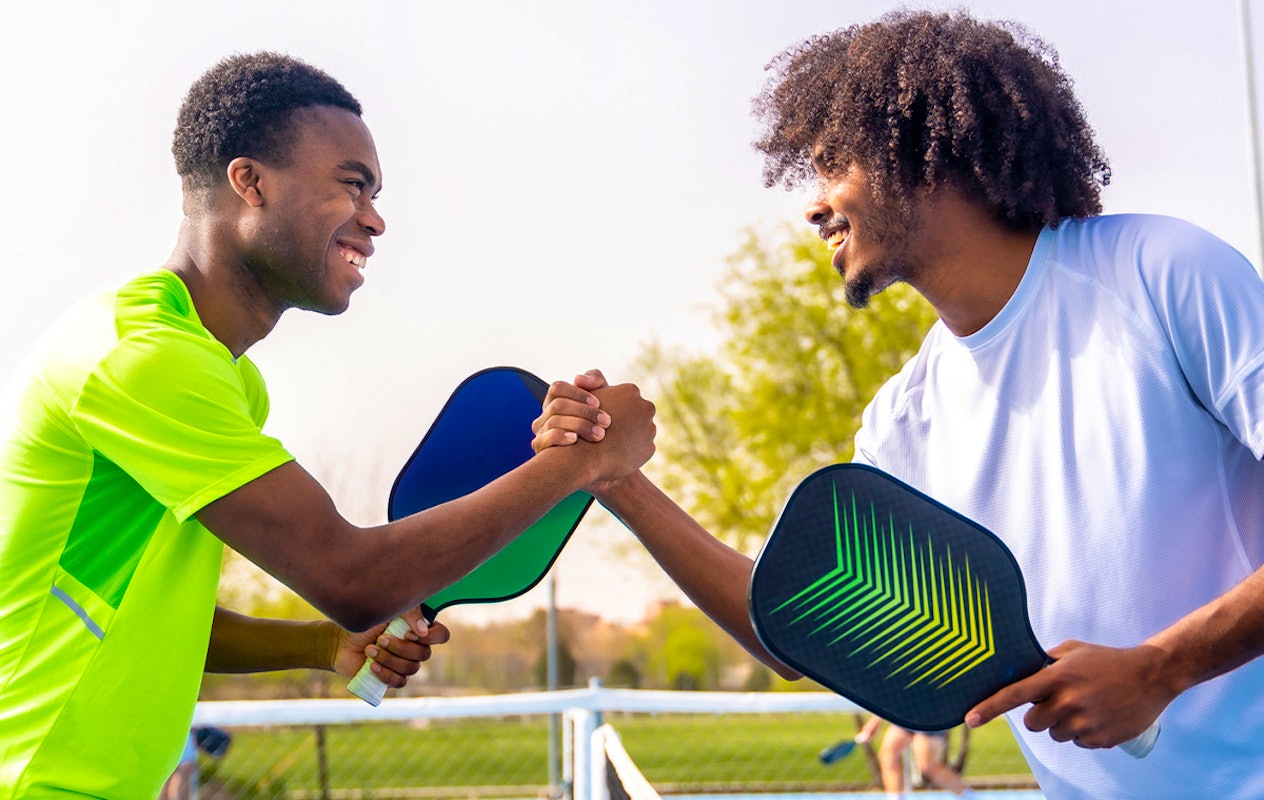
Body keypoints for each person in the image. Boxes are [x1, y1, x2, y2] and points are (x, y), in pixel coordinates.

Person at [532, 9, 1264, 800]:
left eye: (833, 165)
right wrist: (615, 482)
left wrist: (1162, 668)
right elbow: (798, 624)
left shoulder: (1164, 274)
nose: (812, 208)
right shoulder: (901, 422)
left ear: (924, 152)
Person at [0, 52, 656, 799]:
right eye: (352, 185)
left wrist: (321, 644)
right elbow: (352, 578)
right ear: (250, 183)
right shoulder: (144, 358)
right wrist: (582, 463)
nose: (374, 219)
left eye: (374, 194)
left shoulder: (222, 376)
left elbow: (148, 615)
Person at [853, 715, 969, 798]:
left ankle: (969, 796)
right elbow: (893, 694)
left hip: (931, 714)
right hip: (906, 713)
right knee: (889, 754)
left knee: (927, 765)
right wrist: (875, 721)